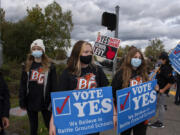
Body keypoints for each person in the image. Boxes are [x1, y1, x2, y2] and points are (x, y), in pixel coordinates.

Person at [49, 40, 109, 135]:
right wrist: (53, 121)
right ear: (77, 54)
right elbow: (60, 99)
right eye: (86, 52)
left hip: (93, 120)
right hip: (75, 121)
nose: (89, 54)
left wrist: (113, 113)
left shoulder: (97, 70)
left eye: (91, 52)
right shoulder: (67, 73)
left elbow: (106, 93)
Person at [19, 39, 57, 135]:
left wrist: (54, 101)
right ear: (31, 51)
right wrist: (22, 101)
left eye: (38, 48)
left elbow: (54, 85)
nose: (36, 50)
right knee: (33, 127)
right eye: (34, 49)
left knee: (50, 125)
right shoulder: (26, 66)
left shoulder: (50, 66)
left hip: (46, 101)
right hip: (31, 101)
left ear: (43, 51)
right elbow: (23, 85)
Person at [112, 47, 149, 135]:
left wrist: (155, 88)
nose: (137, 60)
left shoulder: (143, 74)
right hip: (125, 115)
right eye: (135, 57)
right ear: (129, 58)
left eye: (139, 58)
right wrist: (114, 114)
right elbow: (112, 95)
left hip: (141, 114)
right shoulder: (120, 74)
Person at [150, 52, 175, 128]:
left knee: (161, 106)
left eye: (160, 59)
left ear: (164, 59)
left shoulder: (167, 68)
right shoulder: (163, 66)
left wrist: (163, 90)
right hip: (158, 90)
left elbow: (171, 81)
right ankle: (152, 119)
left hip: (162, 91)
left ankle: (160, 123)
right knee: (157, 105)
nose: (159, 60)